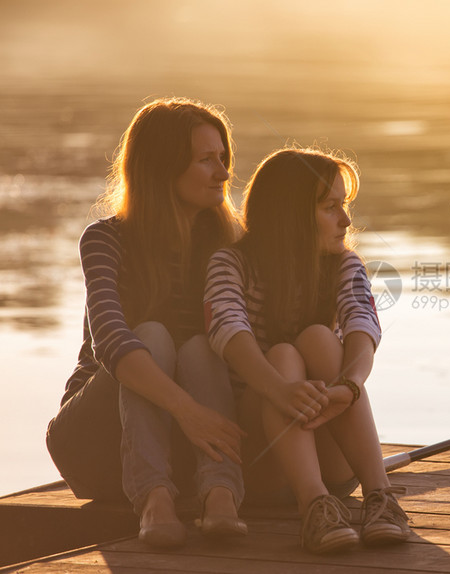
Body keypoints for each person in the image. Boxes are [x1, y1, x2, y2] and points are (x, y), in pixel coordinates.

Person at [45, 97, 248, 549]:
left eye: (223, 158)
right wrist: (188, 411)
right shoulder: (105, 239)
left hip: (189, 447)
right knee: (150, 334)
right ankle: (154, 499)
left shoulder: (231, 248)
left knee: (199, 346)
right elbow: (111, 342)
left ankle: (220, 492)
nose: (223, 173)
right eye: (205, 160)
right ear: (162, 168)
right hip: (96, 443)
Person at [204, 147, 410, 554]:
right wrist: (280, 391)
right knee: (282, 356)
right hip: (263, 465)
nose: (346, 221)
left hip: (335, 459)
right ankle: (313, 505)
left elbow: (363, 326)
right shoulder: (231, 264)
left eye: (344, 205)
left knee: (318, 337)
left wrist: (348, 388)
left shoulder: (343, 265)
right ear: (292, 214)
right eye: (331, 207)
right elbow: (226, 330)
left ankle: (379, 494)